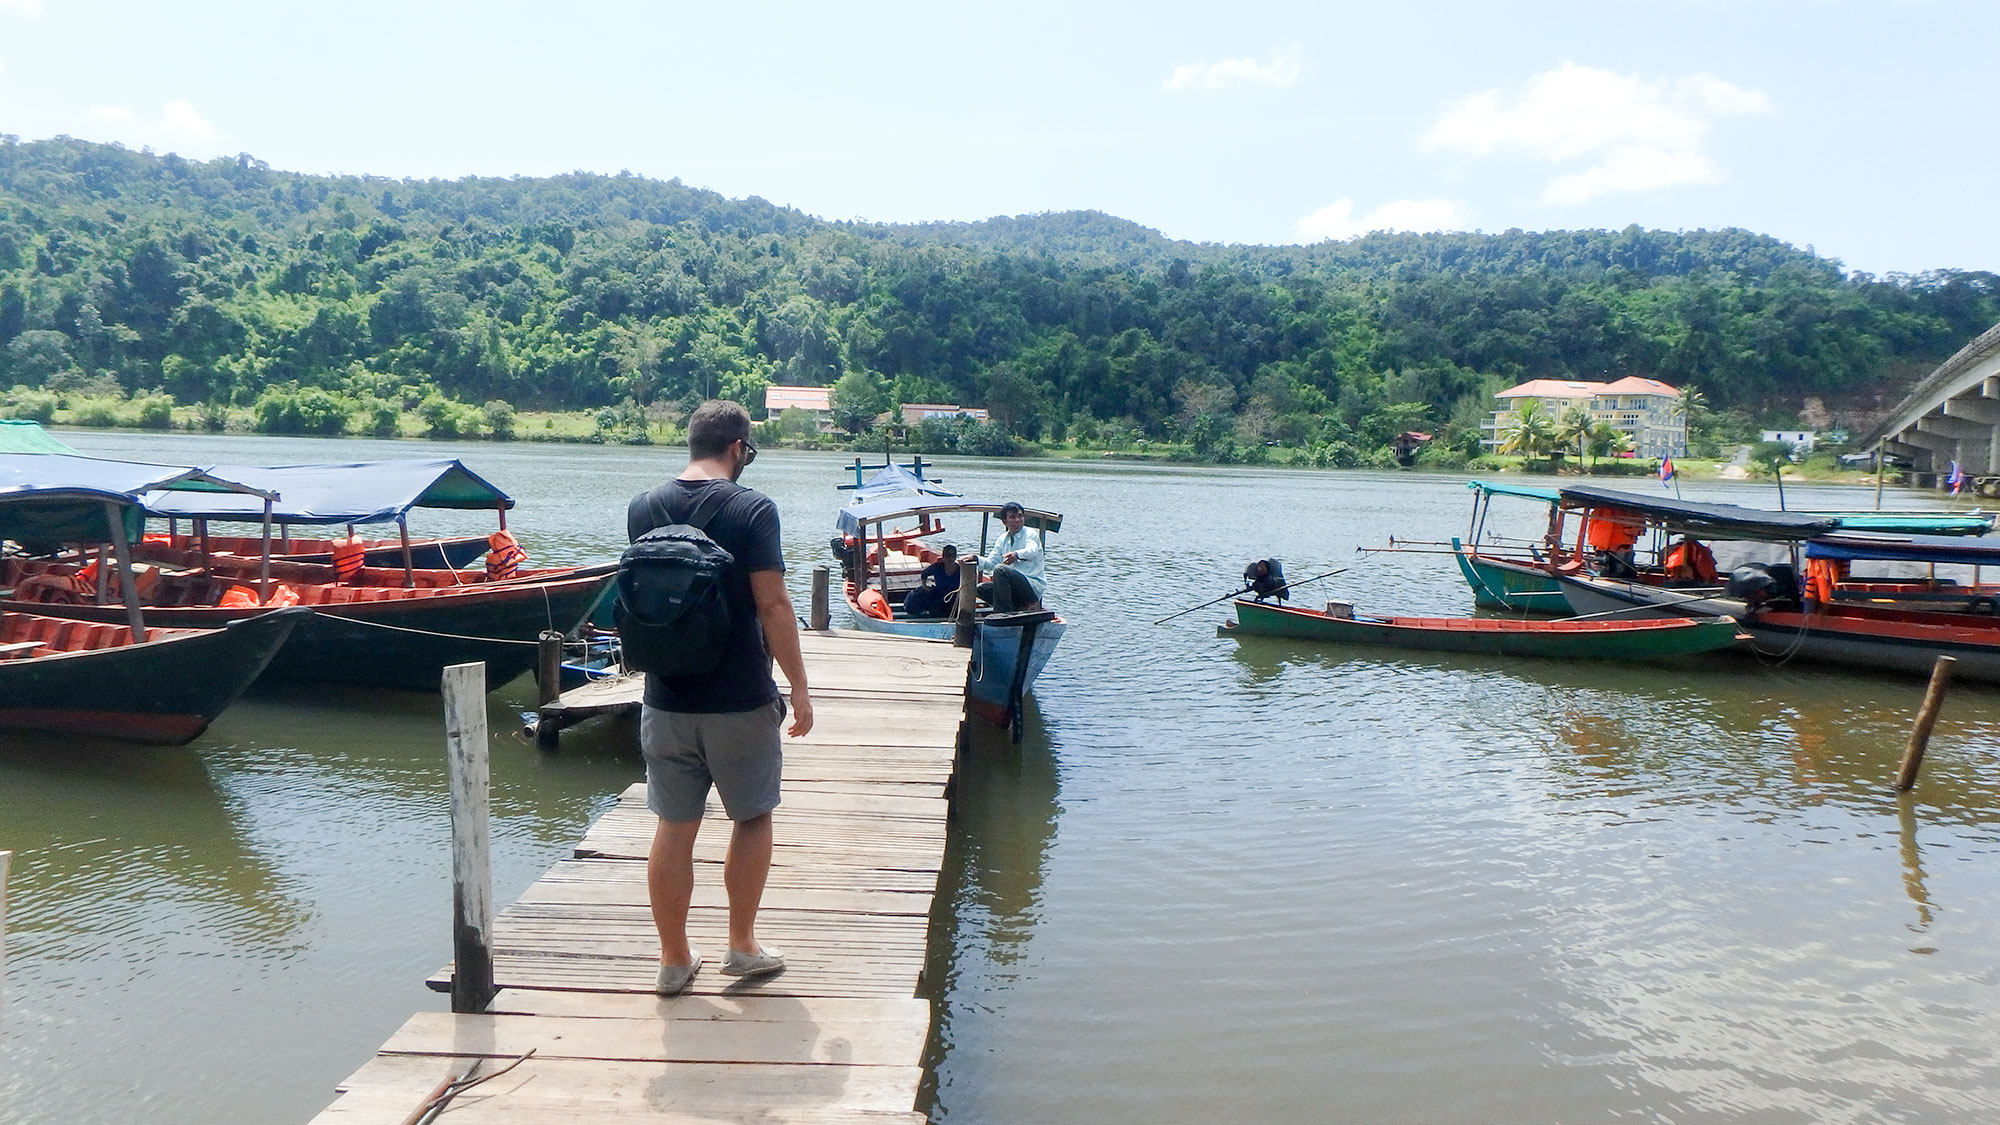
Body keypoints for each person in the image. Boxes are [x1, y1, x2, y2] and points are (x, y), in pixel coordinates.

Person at [626, 400, 814, 996]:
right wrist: (800, 687)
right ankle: (741, 945)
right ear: (738, 448)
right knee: (752, 816)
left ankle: (674, 960)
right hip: (738, 697)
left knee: (673, 826)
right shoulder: (752, 508)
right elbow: (773, 604)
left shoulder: (643, 506)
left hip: (665, 697)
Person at [977, 501, 1044, 613]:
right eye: (1012, 517)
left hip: (1031, 586)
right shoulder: (1002, 539)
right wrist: (975, 558)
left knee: (1001, 570)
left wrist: (1016, 554)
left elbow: (1032, 551)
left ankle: (1003, 614)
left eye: (1020, 516)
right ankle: (1014, 607)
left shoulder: (1030, 534)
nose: (1017, 520)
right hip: (1014, 588)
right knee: (981, 589)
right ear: (1004, 521)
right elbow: (991, 563)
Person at [902, 544, 960, 619]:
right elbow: (924, 574)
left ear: (955, 557)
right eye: (947, 555)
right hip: (940, 594)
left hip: (954, 596)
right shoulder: (937, 567)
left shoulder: (960, 570)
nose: (949, 558)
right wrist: (924, 585)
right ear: (943, 557)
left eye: (952, 555)